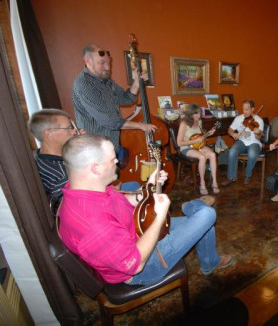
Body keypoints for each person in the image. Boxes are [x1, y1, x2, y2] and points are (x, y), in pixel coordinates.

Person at [58, 134, 234, 285]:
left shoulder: (84, 189)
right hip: (143, 268)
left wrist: (148, 187)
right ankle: (195, 206)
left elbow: (123, 201)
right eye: (112, 159)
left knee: (204, 221)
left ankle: (209, 259)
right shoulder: (93, 224)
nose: (118, 161)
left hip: (137, 231)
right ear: (96, 168)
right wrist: (160, 216)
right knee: (206, 214)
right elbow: (135, 264)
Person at [72, 44, 157, 160]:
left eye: (109, 63)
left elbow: (126, 98)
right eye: (102, 63)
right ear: (88, 61)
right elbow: (110, 122)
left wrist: (137, 82)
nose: (107, 68)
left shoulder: (106, 81)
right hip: (94, 151)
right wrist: (141, 126)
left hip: (110, 147)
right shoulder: (84, 84)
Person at [29, 109, 79, 209]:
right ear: (48, 133)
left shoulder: (40, 156)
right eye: (69, 128)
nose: (74, 131)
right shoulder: (60, 173)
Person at [176, 104, 219, 195]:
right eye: (195, 114)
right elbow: (179, 143)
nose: (198, 116)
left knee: (213, 155)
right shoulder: (184, 123)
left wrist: (208, 134)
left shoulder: (199, 121)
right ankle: (202, 184)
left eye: (199, 113)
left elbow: (200, 136)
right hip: (186, 147)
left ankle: (214, 182)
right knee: (202, 157)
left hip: (198, 146)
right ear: (190, 114)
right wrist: (195, 140)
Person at [221, 99, 264, 186]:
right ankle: (231, 177)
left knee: (252, 153)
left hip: (254, 142)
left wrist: (258, 133)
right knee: (232, 151)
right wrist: (233, 134)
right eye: (243, 109)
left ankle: (248, 175)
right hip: (242, 141)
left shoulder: (259, 121)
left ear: (253, 109)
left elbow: (259, 138)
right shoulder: (239, 118)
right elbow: (230, 130)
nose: (245, 112)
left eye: (247, 109)